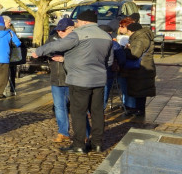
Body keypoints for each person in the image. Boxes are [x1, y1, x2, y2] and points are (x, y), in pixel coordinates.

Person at [32, 9, 113, 154]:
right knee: (97, 113)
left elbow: (57, 45)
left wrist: (39, 51)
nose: (76, 24)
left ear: (84, 22)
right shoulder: (106, 36)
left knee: (79, 113)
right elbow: (110, 60)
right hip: (99, 80)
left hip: (79, 80)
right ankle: (97, 144)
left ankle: (79, 145)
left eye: (78, 21)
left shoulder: (78, 34)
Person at [45, 18, 74, 143]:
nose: (60, 32)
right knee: (59, 107)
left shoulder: (75, 39)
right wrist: (51, 55)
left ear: (69, 29)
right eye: (58, 30)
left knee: (78, 108)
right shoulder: (53, 38)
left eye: (62, 30)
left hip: (72, 79)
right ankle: (63, 132)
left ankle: (84, 133)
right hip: (56, 78)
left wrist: (65, 58)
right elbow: (45, 50)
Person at [122, 20, 156, 116]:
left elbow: (135, 54)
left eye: (128, 31)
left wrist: (127, 50)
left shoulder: (139, 39)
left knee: (140, 90)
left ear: (132, 31)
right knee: (141, 89)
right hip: (145, 66)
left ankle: (139, 110)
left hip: (141, 67)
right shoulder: (143, 36)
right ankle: (138, 109)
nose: (128, 34)